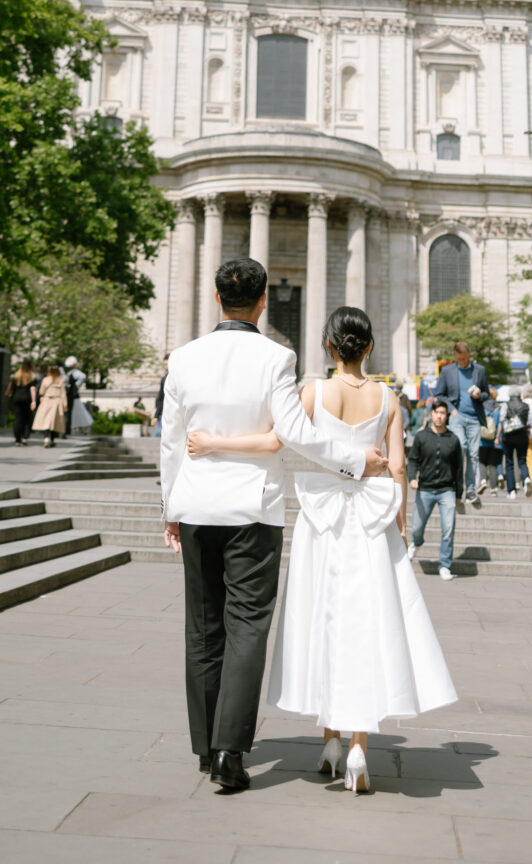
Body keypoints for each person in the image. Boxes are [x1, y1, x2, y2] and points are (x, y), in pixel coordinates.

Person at [188, 304, 457, 795]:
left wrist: (213, 443)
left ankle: (329, 739)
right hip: (372, 521)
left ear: (329, 347)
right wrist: (398, 524)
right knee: (369, 624)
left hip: (323, 522)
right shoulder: (389, 399)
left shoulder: (312, 392)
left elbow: (275, 442)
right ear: (369, 346)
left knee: (326, 620)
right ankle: (357, 746)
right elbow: (397, 469)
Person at [159, 258, 390, 794]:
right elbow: (296, 433)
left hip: (194, 506)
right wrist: (357, 462)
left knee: (202, 627)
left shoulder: (185, 359)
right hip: (251, 510)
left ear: (217, 300)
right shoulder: (276, 358)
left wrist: (169, 507)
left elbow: (170, 441)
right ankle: (228, 751)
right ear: (262, 303)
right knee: (246, 629)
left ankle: (203, 747)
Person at [406, 397, 464, 578]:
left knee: (448, 529)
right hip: (425, 489)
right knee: (416, 528)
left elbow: (458, 468)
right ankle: (416, 543)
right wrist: (412, 478)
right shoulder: (422, 437)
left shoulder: (453, 440)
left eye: (442, 413)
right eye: (436, 413)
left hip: (447, 490)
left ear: (447, 416)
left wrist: (459, 493)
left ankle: (445, 565)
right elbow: (413, 460)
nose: (439, 417)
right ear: (431, 414)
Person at [434, 341, 490, 501]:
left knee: (473, 455)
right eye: (459, 359)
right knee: (461, 448)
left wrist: (480, 394)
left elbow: (487, 393)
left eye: (464, 359)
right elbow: (440, 395)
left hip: (475, 418)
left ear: (469, 355)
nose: (462, 362)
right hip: (457, 416)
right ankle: (455, 487)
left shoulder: (479, 370)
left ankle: (471, 490)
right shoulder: (447, 371)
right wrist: (452, 410)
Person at [497, 384, 531, 498]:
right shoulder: (526, 406)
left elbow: (501, 420)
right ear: (520, 394)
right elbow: (531, 423)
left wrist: (498, 435)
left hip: (508, 437)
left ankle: (511, 491)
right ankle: (526, 478)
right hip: (522, 436)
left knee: (509, 463)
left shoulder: (505, 405)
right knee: (522, 461)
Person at [5, 360, 38, 445]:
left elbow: (11, 388)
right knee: (27, 418)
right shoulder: (31, 377)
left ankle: (17, 439)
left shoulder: (16, 376)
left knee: (18, 419)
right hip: (27, 399)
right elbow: (32, 389)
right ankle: (24, 436)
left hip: (16, 399)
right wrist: (34, 401)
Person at [33, 363, 67, 447]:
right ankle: (52, 439)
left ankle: (46, 438)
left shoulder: (45, 380)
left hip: (47, 401)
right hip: (57, 402)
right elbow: (63, 394)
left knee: (46, 421)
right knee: (54, 422)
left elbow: (41, 391)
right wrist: (65, 405)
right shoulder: (60, 380)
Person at [477, 388, 504, 494]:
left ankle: (483, 481)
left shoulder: (481, 407)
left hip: (482, 439)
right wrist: (497, 437)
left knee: (482, 461)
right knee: (493, 464)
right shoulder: (498, 408)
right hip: (495, 441)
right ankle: (493, 489)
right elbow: (500, 425)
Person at [63, 357, 86, 436]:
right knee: (68, 412)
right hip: (69, 394)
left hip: (60, 394)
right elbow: (83, 376)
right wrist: (75, 386)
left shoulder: (61, 370)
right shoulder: (75, 372)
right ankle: (66, 430)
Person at [153, 357, 168, 437]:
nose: (166, 367)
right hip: (164, 412)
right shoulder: (164, 379)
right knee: (159, 433)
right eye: (165, 364)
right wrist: (156, 415)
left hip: (172, 414)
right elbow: (161, 397)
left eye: (167, 364)